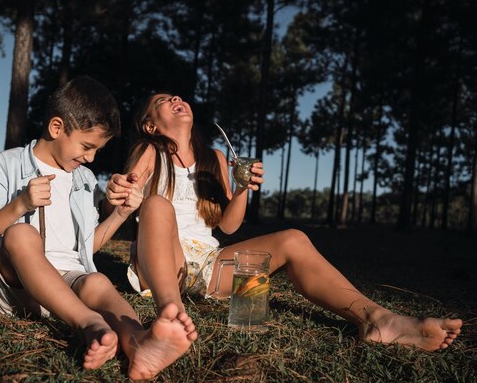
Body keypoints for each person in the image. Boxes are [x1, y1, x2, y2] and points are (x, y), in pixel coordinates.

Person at [105, 92, 462, 351]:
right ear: (151, 124)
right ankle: (172, 315)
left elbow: (228, 227)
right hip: (163, 261)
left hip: (208, 264)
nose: (176, 98)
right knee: (155, 205)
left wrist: (243, 188)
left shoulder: (214, 157)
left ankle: (377, 319)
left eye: (179, 96)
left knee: (293, 237)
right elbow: (129, 189)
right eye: (164, 100)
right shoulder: (150, 152)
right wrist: (123, 187)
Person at [0, 78, 197, 381]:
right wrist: (20, 205)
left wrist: (120, 214)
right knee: (21, 234)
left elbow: (85, 248)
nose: (91, 158)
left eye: (97, 150)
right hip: (16, 286)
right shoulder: (6, 163)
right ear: (56, 128)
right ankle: (90, 324)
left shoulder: (84, 179)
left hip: (68, 284)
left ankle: (137, 342)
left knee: (97, 280)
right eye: (87, 146)